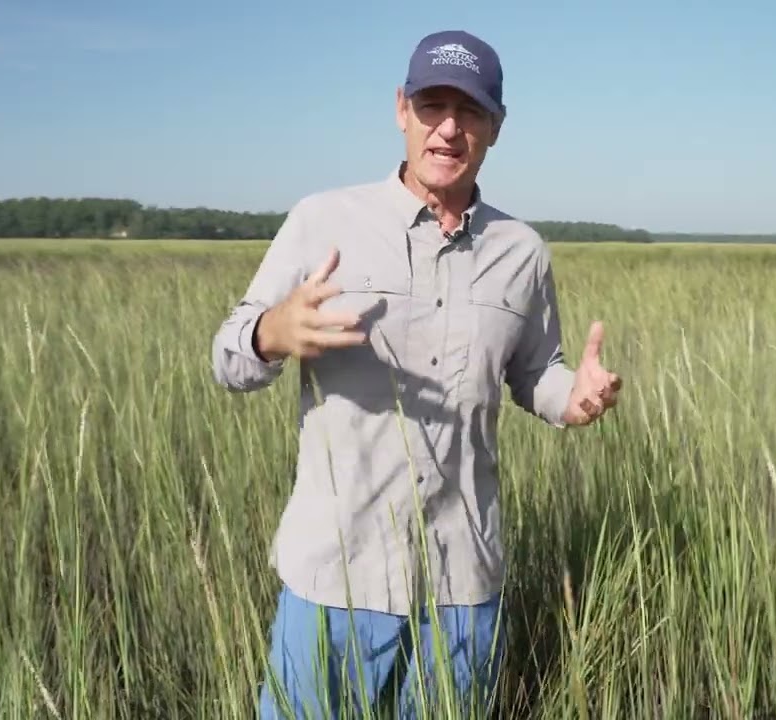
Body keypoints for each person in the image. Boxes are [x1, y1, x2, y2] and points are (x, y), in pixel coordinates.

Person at [211, 28, 623, 719]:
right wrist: (271, 332)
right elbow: (229, 358)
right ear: (402, 109)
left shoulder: (521, 252)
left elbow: (535, 374)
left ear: (496, 126)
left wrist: (572, 400)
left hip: (461, 589)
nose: (449, 129)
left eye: (471, 111)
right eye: (433, 106)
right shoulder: (323, 221)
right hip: (334, 582)